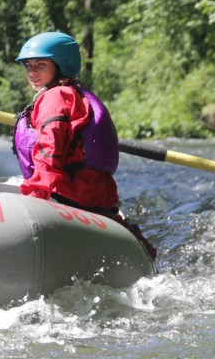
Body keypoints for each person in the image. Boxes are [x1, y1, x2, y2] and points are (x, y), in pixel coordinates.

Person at [12, 31, 157, 259]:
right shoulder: (72, 93)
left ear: (61, 66)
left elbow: (50, 150)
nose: (32, 72)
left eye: (41, 65)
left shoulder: (54, 98)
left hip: (70, 197)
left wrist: (35, 197)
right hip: (92, 198)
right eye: (28, 65)